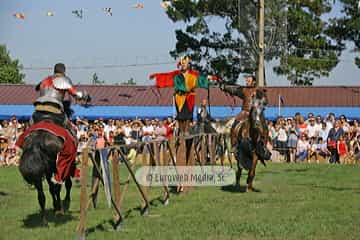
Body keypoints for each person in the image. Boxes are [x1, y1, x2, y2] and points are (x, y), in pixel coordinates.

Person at [32, 63, 89, 134]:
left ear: (54, 70)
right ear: (64, 71)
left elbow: (37, 88)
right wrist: (84, 95)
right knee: (70, 131)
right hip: (55, 108)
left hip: (39, 108)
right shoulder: (63, 80)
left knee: (30, 128)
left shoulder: (44, 80)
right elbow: (74, 93)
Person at [220, 75, 266, 148]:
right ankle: (234, 145)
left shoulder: (258, 91)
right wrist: (225, 87)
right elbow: (234, 90)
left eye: (249, 81)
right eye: (246, 81)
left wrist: (258, 105)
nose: (247, 82)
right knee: (234, 125)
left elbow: (264, 101)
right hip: (244, 112)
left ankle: (263, 143)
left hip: (255, 112)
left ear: (253, 82)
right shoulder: (244, 90)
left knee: (262, 126)